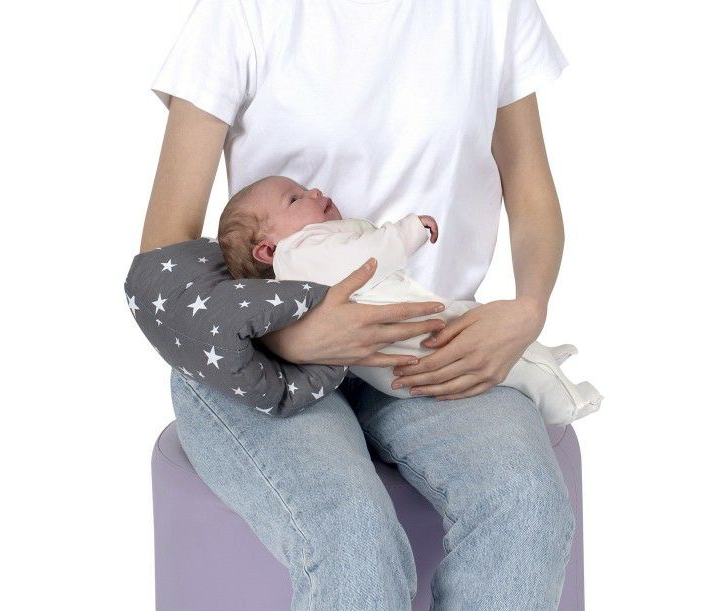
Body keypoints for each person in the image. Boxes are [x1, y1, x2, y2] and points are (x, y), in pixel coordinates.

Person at [140, 0, 579, 611]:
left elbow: (530, 189)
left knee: (526, 502)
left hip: (428, 347)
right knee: (351, 535)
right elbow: (165, 244)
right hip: (266, 356)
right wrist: (290, 337)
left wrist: (525, 309)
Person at [216, 173, 604, 426]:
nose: (313, 192)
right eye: (295, 199)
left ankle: (541, 354)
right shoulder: (299, 251)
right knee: (500, 352)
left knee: (486, 325)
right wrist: (410, 229)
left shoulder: (305, 256)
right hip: (410, 344)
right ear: (267, 250)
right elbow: (370, 256)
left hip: (396, 354)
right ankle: (567, 401)